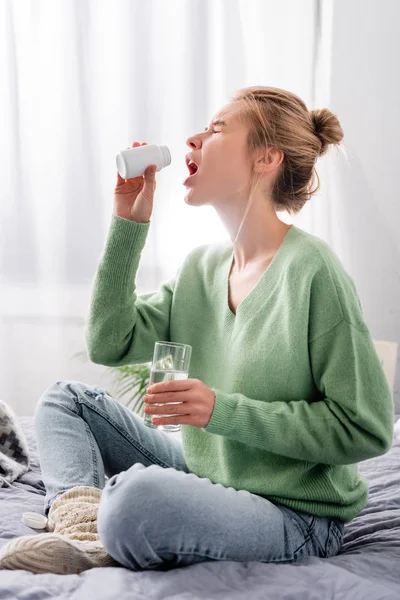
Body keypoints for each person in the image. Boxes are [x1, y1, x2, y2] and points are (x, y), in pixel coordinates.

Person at [0, 86, 393, 575]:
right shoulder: (201, 268)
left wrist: (220, 411)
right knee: (65, 401)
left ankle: (105, 527)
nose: (193, 138)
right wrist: (128, 224)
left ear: (266, 157)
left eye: (216, 129)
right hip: (211, 474)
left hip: (294, 513)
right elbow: (109, 342)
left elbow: (366, 429)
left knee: (136, 499)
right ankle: (79, 530)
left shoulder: (314, 273)